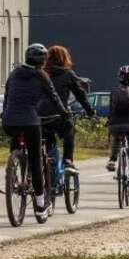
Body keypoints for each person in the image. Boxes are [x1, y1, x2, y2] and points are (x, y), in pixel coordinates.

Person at [2, 44, 67, 216]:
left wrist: (5, 113)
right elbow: (54, 97)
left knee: (16, 145)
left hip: (9, 122)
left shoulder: (14, 73)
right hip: (30, 122)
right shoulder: (41, 76)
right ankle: (40, 206)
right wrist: (64, 113)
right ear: (43, 61)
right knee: (36, 161)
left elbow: (7, 96)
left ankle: (13, 174)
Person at [40, 45, 92, 174]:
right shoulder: (67, 74)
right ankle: (67, 160)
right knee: (69, 131)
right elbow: (80, 95)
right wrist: (90, 111)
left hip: (40, 116)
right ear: (65, 58)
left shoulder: (40, 73)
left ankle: (46, 167)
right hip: (59, 115)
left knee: (47, 140)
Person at [106, 65, 129, 199]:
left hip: (115, 125)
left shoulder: (114, 91)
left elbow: (111, 110)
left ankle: (112, 160)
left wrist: (109, 123)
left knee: (117, 136)